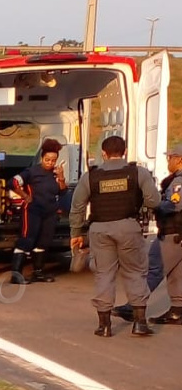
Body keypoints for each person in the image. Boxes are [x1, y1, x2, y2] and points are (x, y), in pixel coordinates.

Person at [69, 135, 161, 337]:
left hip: (99, 230)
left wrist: (76, 233)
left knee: (104, 274)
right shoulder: (138, 172)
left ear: (103, 153)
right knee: (135, 272)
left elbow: (77, 207)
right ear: (125, 151)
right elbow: (154, 201)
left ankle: (104, 326)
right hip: (128, 227)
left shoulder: (90, 176)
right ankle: (139, 323)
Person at [9, 138, 68, 284]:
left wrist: (61, 177)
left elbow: (62, 192)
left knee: (44, 241)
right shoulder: (31, 171)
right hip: (32, 211)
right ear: (42, 158)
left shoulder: (55, 174)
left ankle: (38, 272)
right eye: (47, 159)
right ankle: (16, 274)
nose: (50, 163)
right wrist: (25, 196)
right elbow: (13, 182)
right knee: (27, 240)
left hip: (50, 212)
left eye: (53, 160)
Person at [145, 144, 182, 325]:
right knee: (176, 273)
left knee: (153, 268)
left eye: (170, 158)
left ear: (179, 159)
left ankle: (134, 306)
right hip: (177, 233)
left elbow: (175, 205)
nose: (168, 161)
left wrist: (154, 203)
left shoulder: (178, 182)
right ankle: (177, 310)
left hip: (172, 232)